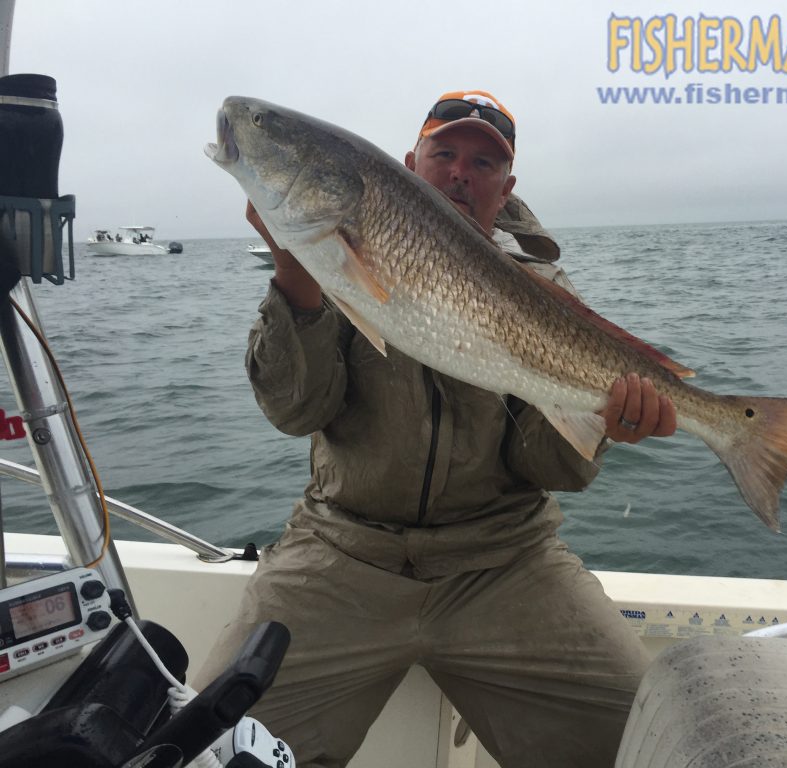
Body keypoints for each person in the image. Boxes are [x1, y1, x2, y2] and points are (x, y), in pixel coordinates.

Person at [197, 89, 676, 768]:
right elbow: (296, 412)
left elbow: (548, 465)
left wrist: (601, 423)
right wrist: (296, 279)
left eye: (484, 163)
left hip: (506, 561)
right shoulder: (335, 261)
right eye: (444, 152)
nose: (461, 171)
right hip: (343, 553)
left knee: (652, 741)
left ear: (505, 189)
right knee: (206, 747)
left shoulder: (543, 290)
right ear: (407, 164)